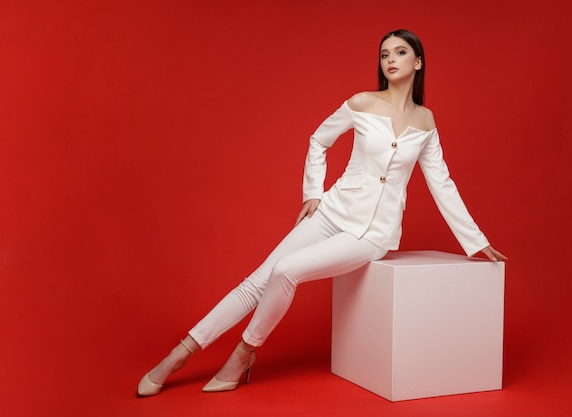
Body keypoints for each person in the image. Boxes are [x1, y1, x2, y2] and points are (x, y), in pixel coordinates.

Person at [137, 28, 508, 397]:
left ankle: (244, 352)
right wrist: (313, 192)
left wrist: (475, 241)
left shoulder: (426, 122)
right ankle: (179, 353)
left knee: (287, 271)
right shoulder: (362, 103)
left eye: (399, 52)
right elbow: (319, 140)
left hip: (370, 235)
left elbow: (442, 183)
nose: (391, 60)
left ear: (418, 62)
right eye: (384, 54)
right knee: (256, 281)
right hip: (331, 213)